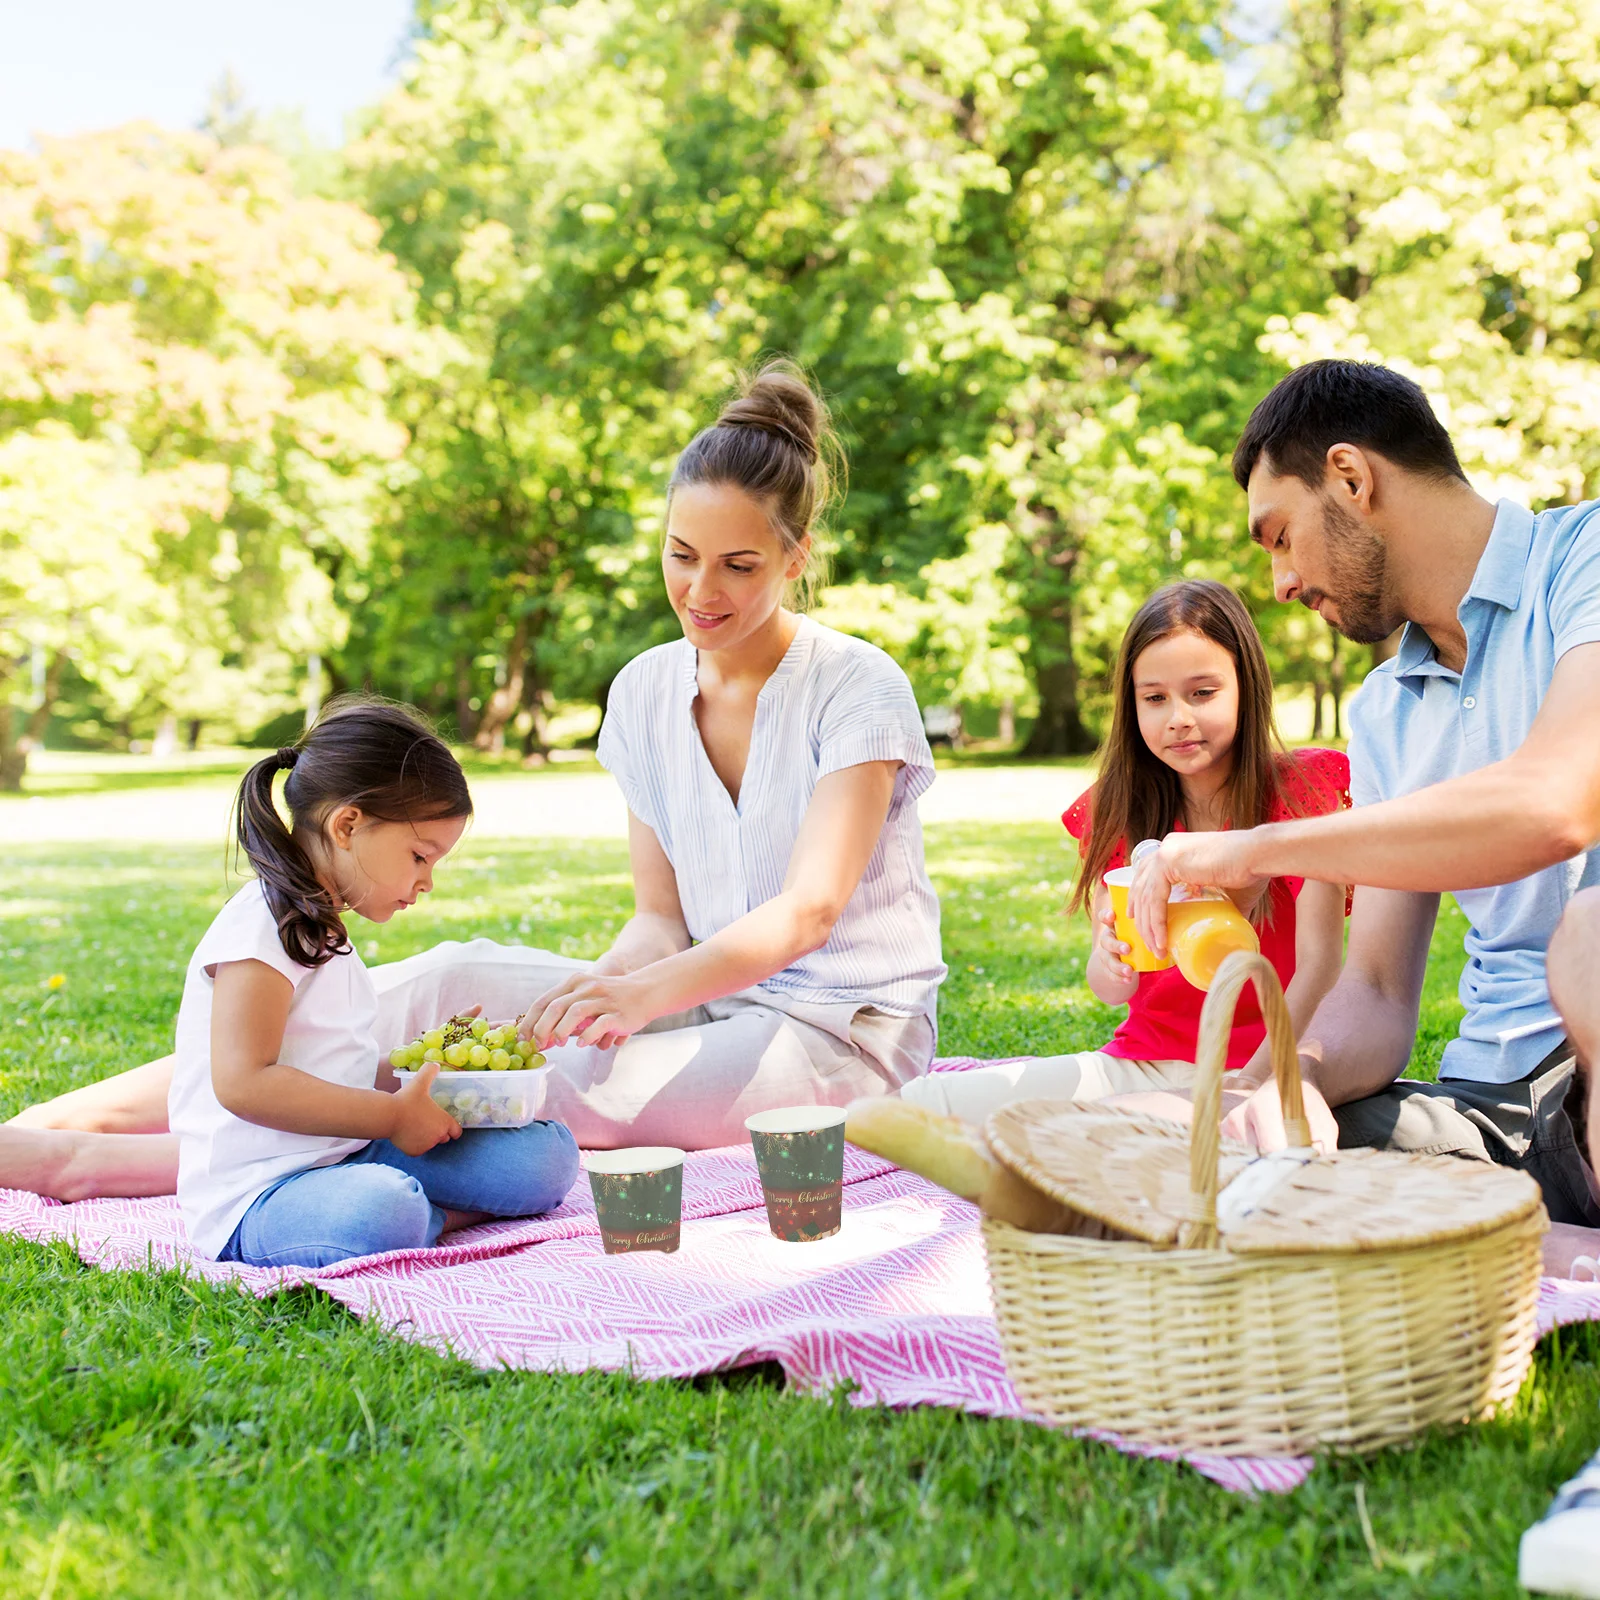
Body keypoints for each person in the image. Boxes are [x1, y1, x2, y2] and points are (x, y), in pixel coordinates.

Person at [8, 358, 945, 1174]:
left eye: (739, 565)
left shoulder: (856, 687)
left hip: (840, 1036)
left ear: (796, 556)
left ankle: (93, 1165)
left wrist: (630, 1001)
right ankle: (73, 1114)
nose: (702, 592)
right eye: (680, 555)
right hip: (698, 1000)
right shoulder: (645, 693)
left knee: (525, 1085)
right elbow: (661, 920)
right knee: (443, 983)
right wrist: (594, 989)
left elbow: (810, 911)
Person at [1124, 359, 1600, 1251]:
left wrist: (1260, 848)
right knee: (1210, 1164)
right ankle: (1537, 1239)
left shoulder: (1585, 564)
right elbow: (1377, 989)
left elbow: (1554, 803)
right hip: (1490, 1117)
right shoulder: (1385, 710)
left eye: (1279, 536)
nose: (1280, 584)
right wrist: (1293, 1080)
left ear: (1351, 477)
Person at [902, 579, 1349, 1126]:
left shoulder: (1301, 795)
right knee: (920, 1105)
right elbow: (1110, 986)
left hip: (1271, 1073)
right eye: (1155, 698)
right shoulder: (1118, 812)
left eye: (1202, 693)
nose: (1177, 716)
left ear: (1245, 688)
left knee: (1095, 1137)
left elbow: (1323, 969)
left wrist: (1254, 1080)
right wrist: (1108, 964)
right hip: (1141, 1065)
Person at [179, 701, 577, 1266]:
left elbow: (337, 1067)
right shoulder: (260, 929)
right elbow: (244, 1084)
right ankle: (420, 1217)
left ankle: (417, 1215)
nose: (427, 882)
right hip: (262, 1193)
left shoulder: (323, 926)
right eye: (420, 856)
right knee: (380, 1210)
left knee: (545, 1158)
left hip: (350, 1156)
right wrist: (392, 1116)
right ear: (348, 825)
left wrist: (432, 1065)